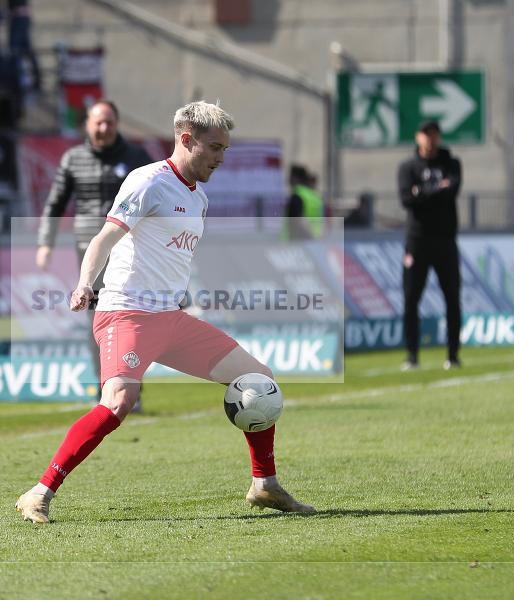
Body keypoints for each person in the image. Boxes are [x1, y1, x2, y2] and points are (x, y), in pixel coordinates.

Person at [16, 101, 316, 523]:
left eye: (225, 149)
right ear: (186, 139)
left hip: (170, 318)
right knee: (120, 400)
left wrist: (191, 297)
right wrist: (86, 282)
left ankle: (264, 485)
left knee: (258, 379)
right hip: (126, 313)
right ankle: (39, 492)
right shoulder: (147, 182)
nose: (220, 158)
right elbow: (103, 239)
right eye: (214, 147)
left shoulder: (200, 198)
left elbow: (172, 259)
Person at [36, 100, 152, 402]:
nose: (103, 128)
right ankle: (105, 388)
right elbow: (55, 203)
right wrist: (45, 243)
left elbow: (157, 198)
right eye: (98, 122)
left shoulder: (137, 158)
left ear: (117, 124)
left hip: (129, 249)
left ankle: (131, 389)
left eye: (109, 122)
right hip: (89, 252)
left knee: (130, 317)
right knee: (97, 319)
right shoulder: (73, 159)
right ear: (87, 124)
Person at [397, 120, 462, 371]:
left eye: (434, 134)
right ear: (417, 137)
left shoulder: (451, 164)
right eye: (426, 134)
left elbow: (452, 191)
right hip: (417, 241)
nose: (430, 139)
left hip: (445, 239)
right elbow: (406, 200)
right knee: (411, 297)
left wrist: (421, 192)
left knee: (452, 298)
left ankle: (453, 355)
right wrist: (436, 189)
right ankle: (412, 355)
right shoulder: (408, 167)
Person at [284, 164, 325, 240]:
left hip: (299, 242)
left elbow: (299, 221)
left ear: (295, 178)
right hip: (316, 240)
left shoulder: (298, 195)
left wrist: (309, 238)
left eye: (290, 176)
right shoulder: (315, 196)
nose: (288, 179)